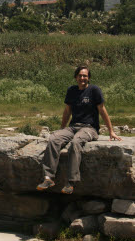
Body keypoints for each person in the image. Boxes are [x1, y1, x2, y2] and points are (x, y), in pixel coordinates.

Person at [36, 65, 122, 194]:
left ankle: (71, 182)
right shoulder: (72, 90)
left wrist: (111, 131)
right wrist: (62, 128)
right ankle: (48, 178)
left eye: (85, 76)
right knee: (54, 139)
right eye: (80, 75)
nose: (82, 78)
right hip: (73, 126)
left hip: (90, 128)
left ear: (89, 78)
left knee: (76, 143)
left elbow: (102, 110)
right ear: (76, 77)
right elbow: (67, 111)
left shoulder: (94, 90)